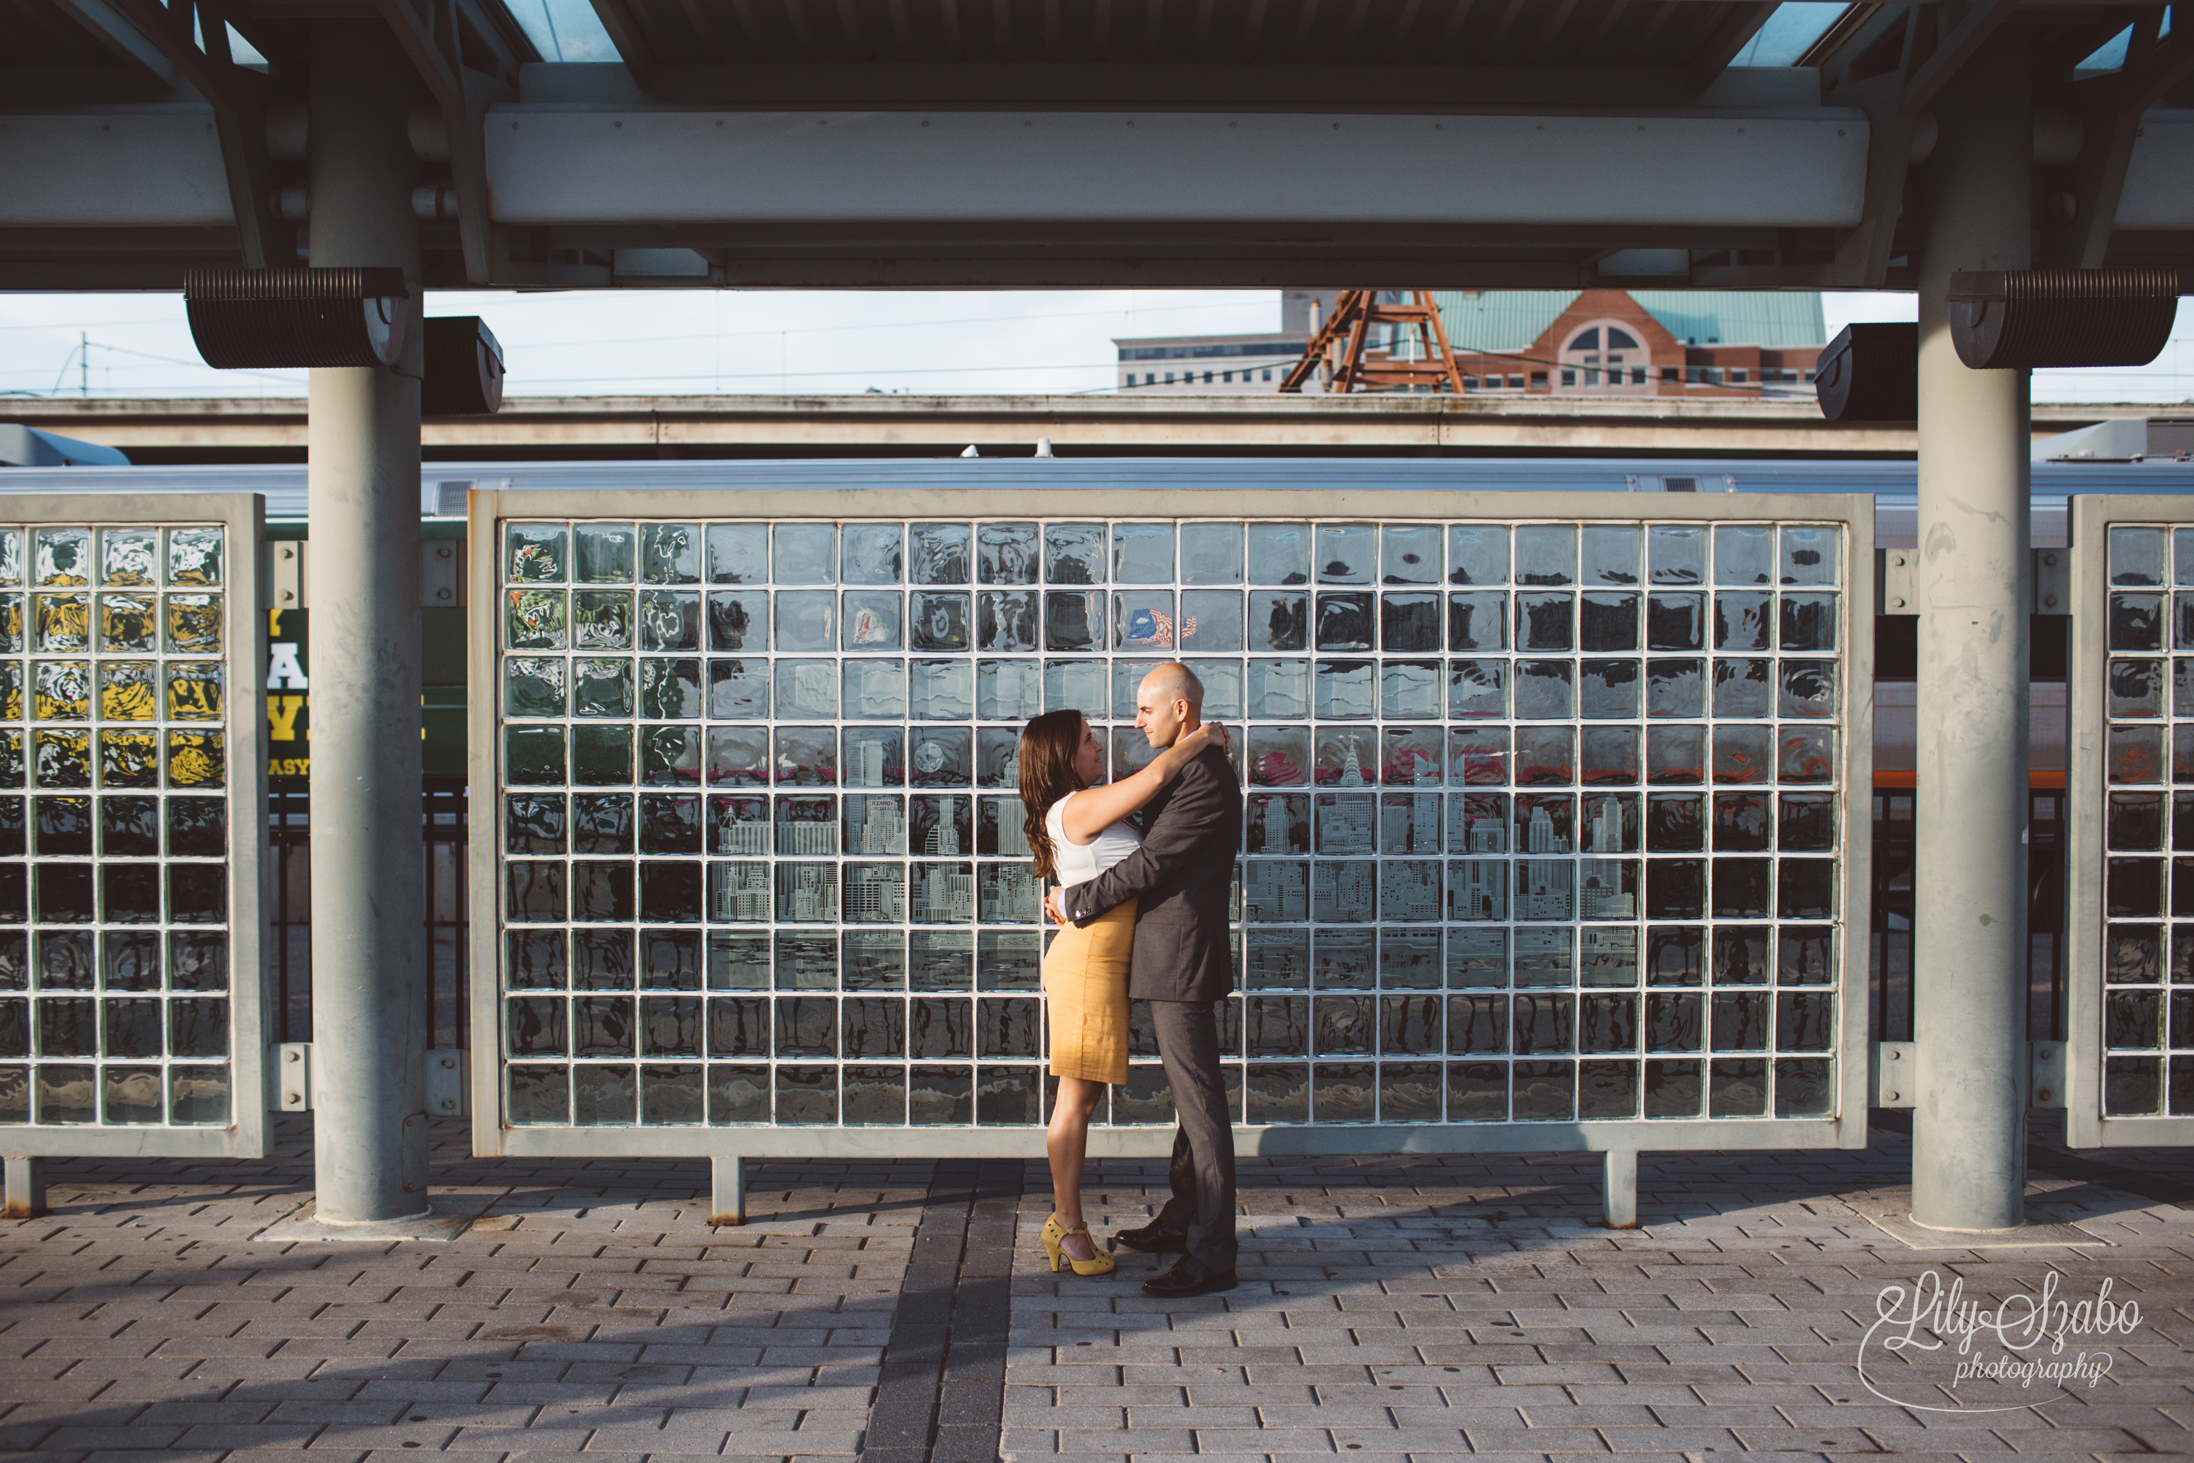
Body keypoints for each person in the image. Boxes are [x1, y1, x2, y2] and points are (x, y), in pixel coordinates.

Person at [1049, 663, 1244, 1298]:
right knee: (1193, 1108)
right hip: (1166, 953)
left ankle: (1212, 1254)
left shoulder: (1204, 779)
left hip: (1179, 955)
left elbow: (1154, 863)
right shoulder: (1191, 765)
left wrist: (1079, 900)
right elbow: (1140, 807)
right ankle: (1182, 1220)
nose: (1134, 722)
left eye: (1144, 710)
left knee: (1201, 1106)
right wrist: (1204, 736)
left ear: (1179, 711)